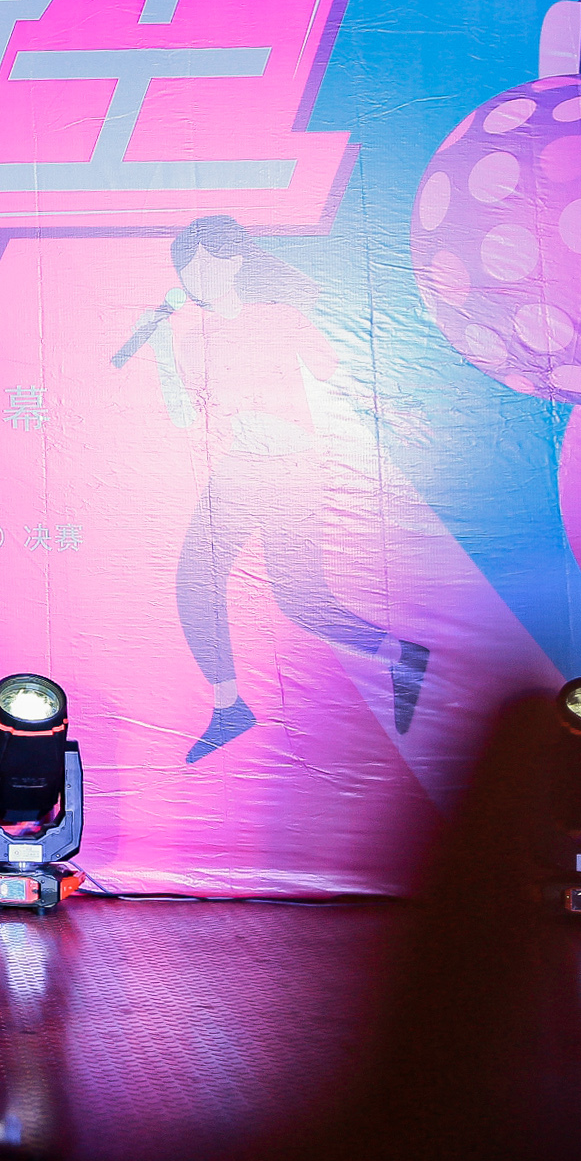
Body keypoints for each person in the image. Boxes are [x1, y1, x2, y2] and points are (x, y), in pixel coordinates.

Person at [135, 216, 430, 762]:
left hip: (291, 470)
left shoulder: (279, 317)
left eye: (201, 265)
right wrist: (158, 351)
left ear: (233, 261)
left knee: (301, 601)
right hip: (239, 468)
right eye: (186, 270)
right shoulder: (192, 335)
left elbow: (339, 376)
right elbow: (184, 415)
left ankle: (401, 655)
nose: (193, 278)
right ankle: (229, 707)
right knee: (196, 582)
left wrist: (391, 414)